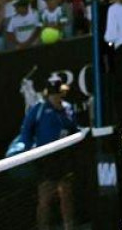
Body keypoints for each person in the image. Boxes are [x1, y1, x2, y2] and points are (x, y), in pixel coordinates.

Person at [13, 73, 83, 230]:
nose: (56, 97)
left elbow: (74, 128)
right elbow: (26, 132)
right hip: (45, 159)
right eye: (53, 94)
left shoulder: (68, 109)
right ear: (48, 94)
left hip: (64, 158)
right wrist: (26, 150)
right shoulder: (38, 110)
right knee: (45, 198)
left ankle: (69, 227)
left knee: (66, 195)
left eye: (58, 93)